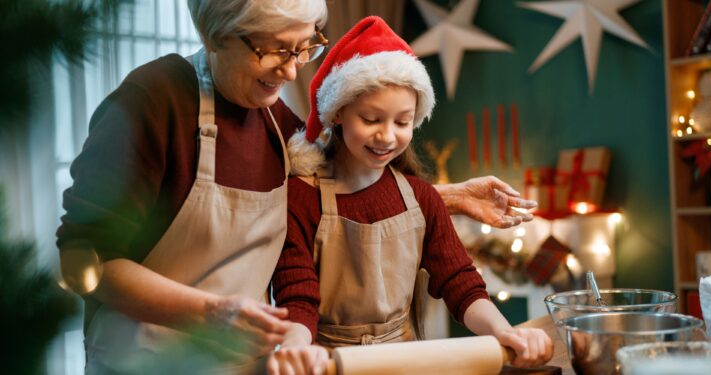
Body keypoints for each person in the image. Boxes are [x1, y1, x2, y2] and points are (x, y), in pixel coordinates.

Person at [56, 0, 536, 373]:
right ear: (215, 35)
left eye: (305, 46)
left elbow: (348, 186)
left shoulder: (273, 115)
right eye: (273, 49)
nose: (292, 71)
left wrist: (445, 198)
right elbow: (84, 260)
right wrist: (210, 311)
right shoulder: (152, 103)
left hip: (247, 363)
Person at [269, 16, 553, 374]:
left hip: (404, 362)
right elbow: (297, 297)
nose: (387, 136)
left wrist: (506, 333)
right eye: (371, 119)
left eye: (402, 122)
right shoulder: (300, 198)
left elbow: (460, 283)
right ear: (338, 112)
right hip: (326, 364)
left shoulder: (421, 197)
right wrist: (295, 350)